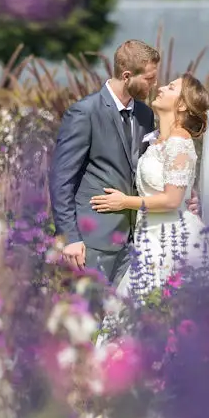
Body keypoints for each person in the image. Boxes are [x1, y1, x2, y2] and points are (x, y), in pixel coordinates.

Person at [88, 73, 209, 298]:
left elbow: (172, 200)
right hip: (150, 237)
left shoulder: (179, 141)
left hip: (172, 242)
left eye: (171, 87)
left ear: (181, 104)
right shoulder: (156, 140)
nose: (161, 87)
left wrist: (124, 202)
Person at [49, 40, 160, 285]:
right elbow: (61, 179)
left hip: (134, 241)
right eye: (149, 79)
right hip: (91, 242)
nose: (154, 85)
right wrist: (70, 238)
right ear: (127, 75)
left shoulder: (145, 115)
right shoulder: (84, 113)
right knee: (87, 319)